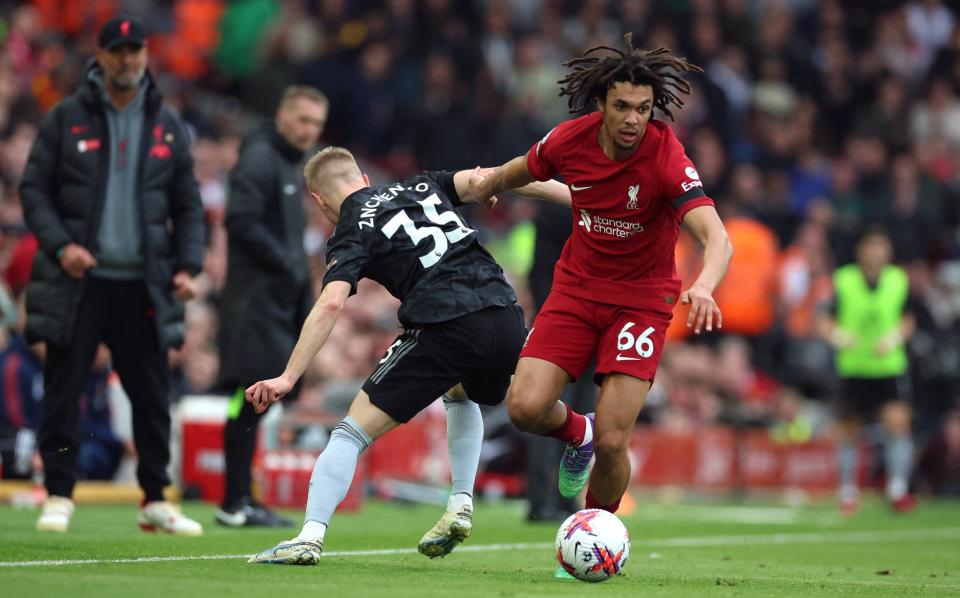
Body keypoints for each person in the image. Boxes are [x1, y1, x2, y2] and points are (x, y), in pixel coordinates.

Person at [244, 147, 559, 565]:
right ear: (363, 179)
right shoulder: (424, 182)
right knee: (460, 390)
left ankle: (309, 537)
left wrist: (288, 376)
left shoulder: (351, 227)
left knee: (349, 433)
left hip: (447, 324)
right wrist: (585, 199)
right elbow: (507, 174)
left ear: (319, 202)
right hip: (504, 317)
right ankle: (462, 501)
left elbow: (331, 304)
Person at [472, 34, 733, 516]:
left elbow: (718, 237)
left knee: (615, 440)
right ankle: (578, 433)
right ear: (601, 104)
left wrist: (704, 285)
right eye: (623, 107)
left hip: (642, 301)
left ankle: (595, 529)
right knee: (525, 407)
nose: (633, 119)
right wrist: (489, 184)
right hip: (576, 289)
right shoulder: (570, 140)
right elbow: (525, 167)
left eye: (644, 108)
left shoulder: (666, 156)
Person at [19, 16, 205, 534]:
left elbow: (188, 205)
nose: (129, 60)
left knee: (150, 394)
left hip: (143, 282)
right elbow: (34, 190)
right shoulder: (66, 118)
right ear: (100, 56)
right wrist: (61, 247)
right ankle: (57, 493)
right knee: (64, 389)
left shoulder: (167, 122)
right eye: (118, 51)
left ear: (147, 54)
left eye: (136, 50)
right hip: (79, 279)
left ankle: (155, 498)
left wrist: (189, 266)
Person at [214, 85, 328, 528]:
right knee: (249, 400)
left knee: (254, 402)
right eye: (302, 120)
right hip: (253, 303)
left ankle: (240, 498)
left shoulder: (282, 161)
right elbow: (240, 221)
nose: (308, 131)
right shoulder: (260, 159)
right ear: (281, 114)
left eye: (316, 124)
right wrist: (289, 265)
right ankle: (235, 501)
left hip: (272, 301)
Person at [817, 228, 917, 514]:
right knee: (849, 430)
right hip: (854, 367)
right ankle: (848, 492)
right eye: (870, 246)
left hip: (889, 366)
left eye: (880, 246)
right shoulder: (843, 280)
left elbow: (908, 318)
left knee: (898, 424)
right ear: (860, 250)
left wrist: (895, 338)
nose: (875, 252)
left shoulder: (898, 280)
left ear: (888, 252)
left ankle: (897, 489)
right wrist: (837, 336)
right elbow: (824, 319)